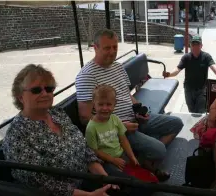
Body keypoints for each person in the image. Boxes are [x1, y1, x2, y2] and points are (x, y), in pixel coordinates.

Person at [76, 29, 183, 181]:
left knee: (176, 123)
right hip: (118, 130)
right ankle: (149, 163)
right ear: (95, 47)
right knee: (159, 150)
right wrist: (119, 126)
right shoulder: (87, 75)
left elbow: (127, 95)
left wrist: (139, 109)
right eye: (107, 48)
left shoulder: (118, 67)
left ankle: (145, 161)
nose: (112, 52)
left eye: (115, 47)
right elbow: (84, 117)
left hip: (135, 118)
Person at [3, 64, 121, 196]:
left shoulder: (57, 114)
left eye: (49, 89)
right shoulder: (17, 135)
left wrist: (104, 178)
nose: (45, 94)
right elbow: (40, 183)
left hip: (86, 177)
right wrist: (89, 195)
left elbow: (84, 149)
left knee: (130, 185)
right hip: (64, 193)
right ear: (20, 97)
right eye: (36, 90)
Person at [85, 84, 138, 178]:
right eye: (101, 104)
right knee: (122, 177)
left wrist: (131, 156)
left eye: (109, 104)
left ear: (114, 104)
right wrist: (113, 160)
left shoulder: (115, 119)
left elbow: (123, 139)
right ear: (94, 104)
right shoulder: (91, 128)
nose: (105, 108)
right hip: (105, 161)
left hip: (121, 154)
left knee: (137, 165)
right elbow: (95, 151)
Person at [163, 36, 216, 113]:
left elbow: (213, 66)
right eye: (193, 44)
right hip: (189, 90)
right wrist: (169, 74)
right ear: (190, 46)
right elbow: (178, 69)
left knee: (200, 111)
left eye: (197, 44)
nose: (195, 47)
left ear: (201, 46)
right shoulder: (186, 57)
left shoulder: (206, 57)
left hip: (202, 90)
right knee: (191, 111)